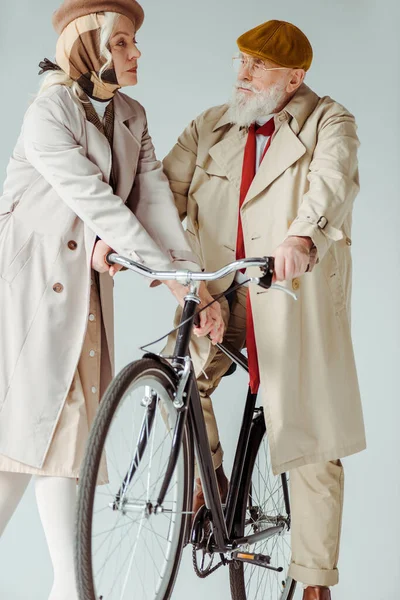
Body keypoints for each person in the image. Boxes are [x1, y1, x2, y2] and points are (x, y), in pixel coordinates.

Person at [0, 1, 224, 598]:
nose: (135, 53)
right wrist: (176, 282)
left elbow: (152, 202)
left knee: (62, 474)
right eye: (121, 42)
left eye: (133, 42)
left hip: (85, 308)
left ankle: (74, 587)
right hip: (28, 308)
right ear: (89, 48)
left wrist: (191, 286)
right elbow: (96, 204)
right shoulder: (47, 114)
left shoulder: (131, 115)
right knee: (20, 456)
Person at [163, 19, 366, 600]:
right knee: (182, 375)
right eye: (240, 62)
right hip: (218, 295)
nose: (242, 75)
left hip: (287, 300)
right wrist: (129, 242)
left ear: (294, 76)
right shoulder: (212, 126)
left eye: (257, 65)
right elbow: (161, 192)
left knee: (307, 439)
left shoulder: (330, 122)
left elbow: (332, 181)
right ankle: (214, 484)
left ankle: (312, 580)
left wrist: (302, 238)